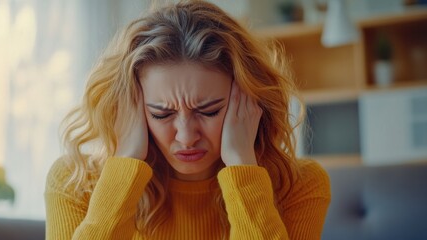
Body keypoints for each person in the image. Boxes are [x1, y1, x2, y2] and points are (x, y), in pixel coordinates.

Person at [44, 1, 331, 239]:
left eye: (208, 111)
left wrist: (243, 168)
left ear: (249, 102)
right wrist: (125, 163)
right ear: (130, 109)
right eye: (162, 114)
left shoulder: (299, 185)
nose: (186, 136)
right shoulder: (75, 182)